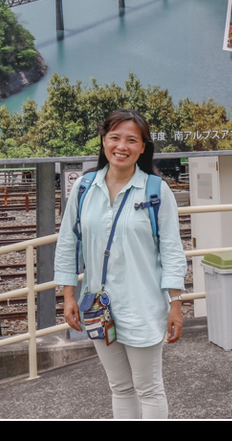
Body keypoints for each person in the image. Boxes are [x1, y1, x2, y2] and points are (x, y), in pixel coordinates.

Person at [54, 109, 187, 419]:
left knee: (149, 388)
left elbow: (171, 250)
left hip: (143, 305)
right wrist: (69, 294)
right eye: (115, 138)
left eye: (131, 140)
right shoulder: (86, 187)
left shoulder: (155, 190)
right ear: (103, 141)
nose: (121, 147)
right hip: (99, 306)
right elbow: (67, 241)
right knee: (120, 387)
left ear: (143, 147)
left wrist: (176, 302)